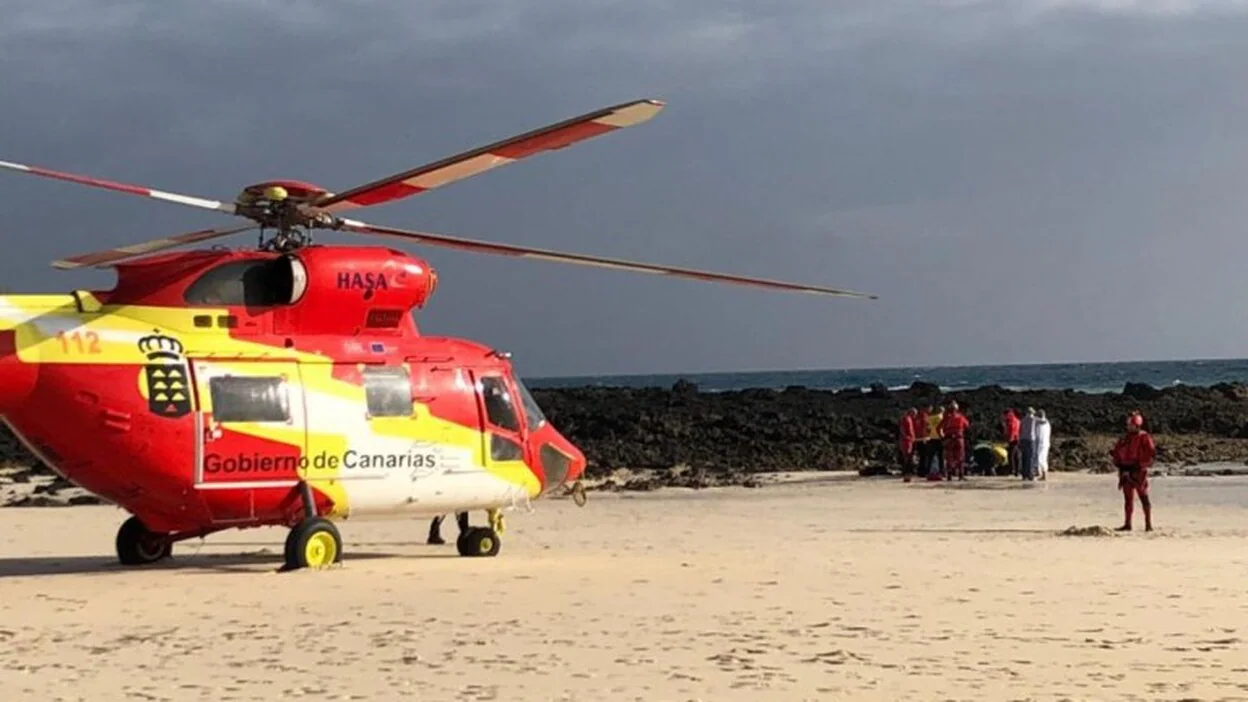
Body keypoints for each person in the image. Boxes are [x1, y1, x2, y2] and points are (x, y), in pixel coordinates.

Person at [1111, 411, 1156, 532]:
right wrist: (1118, 463)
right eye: (1128, 425)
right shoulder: (1125, 438)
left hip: (1138, 471)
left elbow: (1150, 453)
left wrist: (1140, 465)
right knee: (1128, 499)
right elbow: (1117, 451)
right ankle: (1127, 524)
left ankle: (1148, 524)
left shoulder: (1144, 437)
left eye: (1131, 425)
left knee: (1143, 496)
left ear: (1137, 425)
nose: (1128, 427)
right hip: (1125, 470)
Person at [940, 401, 971, 480]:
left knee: (949, 457)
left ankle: (949, 475)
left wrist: (942, 436)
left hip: (949, 438)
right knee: (960, 457)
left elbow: (938, 428)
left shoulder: (946, 417)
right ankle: (961, 475)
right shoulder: (961, 416)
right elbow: (967, 426)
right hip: (959, 438)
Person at [925, 404, 945, 480]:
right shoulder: (942, 418)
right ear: (942, 411)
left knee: (930, 457)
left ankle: (928, 472)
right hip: (940, 438)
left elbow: (927, 428)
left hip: (931, 438)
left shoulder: (930, 418)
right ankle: (942, 472)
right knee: (941, 457)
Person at [898, 408, 918, 482]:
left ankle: (908, 472)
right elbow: (902, 429)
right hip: (906, 441)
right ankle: (906, 472)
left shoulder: (910, 419)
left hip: (910, 440)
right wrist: (906, 436)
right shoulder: (905, 419)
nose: (915, 416)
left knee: (910, 457)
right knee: (907, 456)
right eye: (915, 414)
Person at [1001, 408, 1021, 476]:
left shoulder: (1011, 420)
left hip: (1013, 439)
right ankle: (1017, 470)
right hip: (1017, 439)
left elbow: (1012, 430)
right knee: (1016, 455)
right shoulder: (1017, 420)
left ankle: (1012, 470)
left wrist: (1009, 440)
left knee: (1011, 455)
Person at [1019, 407, 1037, 480]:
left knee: (1024, 456)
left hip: (1023, 439)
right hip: (1031, 439)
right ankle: (1030, 475)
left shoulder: (1022, 420)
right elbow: (1043, 421)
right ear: (1032, 412)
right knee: (1031, 457)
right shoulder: (1034, 419)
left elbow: (1020, 430)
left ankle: (1024, 475)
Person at [1034, 409, 1051, 480]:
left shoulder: (1040, 422)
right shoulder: (1047, 422)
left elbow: (1039, 422)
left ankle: (1044, 475)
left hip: (1042, 443)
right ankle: (1041, 474)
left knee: (1040, 459)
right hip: (1045, 443)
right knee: (1042, 459)